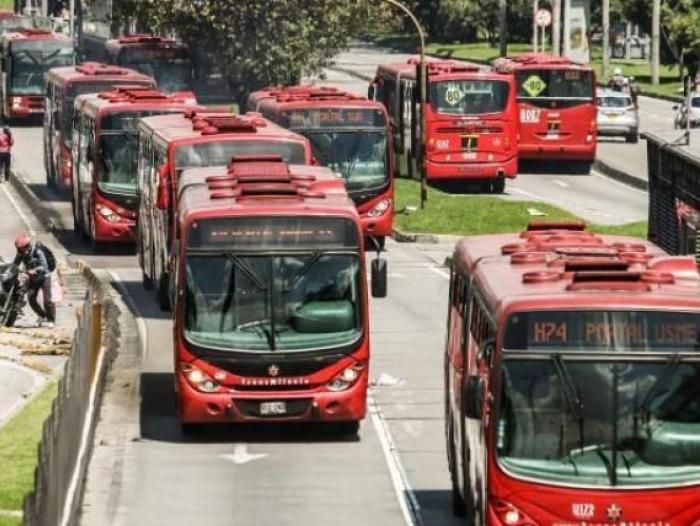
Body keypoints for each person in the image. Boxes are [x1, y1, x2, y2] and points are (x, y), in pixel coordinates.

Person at [13, 234, 55, 328]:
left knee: (47, 300)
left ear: (28, 246)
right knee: (31, 298)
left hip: (44, 277)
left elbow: (44, 266)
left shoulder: (37, 252)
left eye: (23, 248)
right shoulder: (20, 254)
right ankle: (42, 315)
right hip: (33, 279)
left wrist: (35, 270)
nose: (22, 251)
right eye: (20, 249)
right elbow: (15, 265)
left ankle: (51, 319)